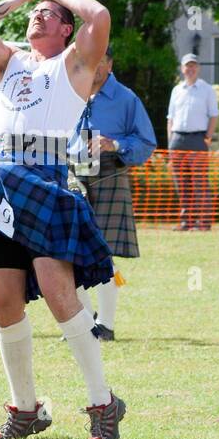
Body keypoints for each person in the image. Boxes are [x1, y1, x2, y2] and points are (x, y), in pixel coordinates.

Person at [0, 0, 124, 439]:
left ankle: (103, 404)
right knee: (2, 300)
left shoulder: (75, 63)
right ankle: (26, 409)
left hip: (43, 179)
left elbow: (100, 15)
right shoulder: (10, 62)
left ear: (67, 28)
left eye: (49, 16)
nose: (38, 18)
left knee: (59, 294)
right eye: (35, 16)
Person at [70, 45, 157, 342]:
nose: (92, 69)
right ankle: (81, 323)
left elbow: (146, 141)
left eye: (99, 63)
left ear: (110, 63)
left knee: (103, 254)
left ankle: (105, 324)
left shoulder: (126, 99)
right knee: (71, 253)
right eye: (88, 63)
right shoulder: (70, 92)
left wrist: (116, 145)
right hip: (71, 174)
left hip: (109, 173)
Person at [166, 53, 218, 230]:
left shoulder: (207, 89)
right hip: (178, 140)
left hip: (198, 139)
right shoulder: (176, 90)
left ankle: (203, 223)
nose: (190, 69)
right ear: (182, 69)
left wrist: (207, 138)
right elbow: (170, 118)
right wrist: (170, 141)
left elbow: (213, 116)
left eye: (193, 65)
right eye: (187, 66)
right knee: (181, 183)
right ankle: (185, 222)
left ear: (198, 68)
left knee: (200, 183)